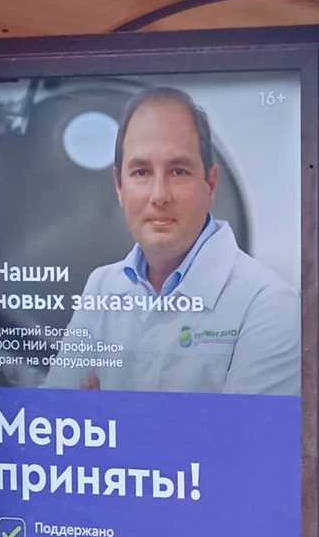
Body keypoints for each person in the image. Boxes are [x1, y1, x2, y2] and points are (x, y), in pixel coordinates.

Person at [44, 87, 299, 394]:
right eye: (141, 172)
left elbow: (245, 428)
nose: (159, 195)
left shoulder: (270, 304)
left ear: (211, 183)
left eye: (178, 171)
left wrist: (103, 409)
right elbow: (54, 411)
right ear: (119, 186)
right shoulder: (102, 284)